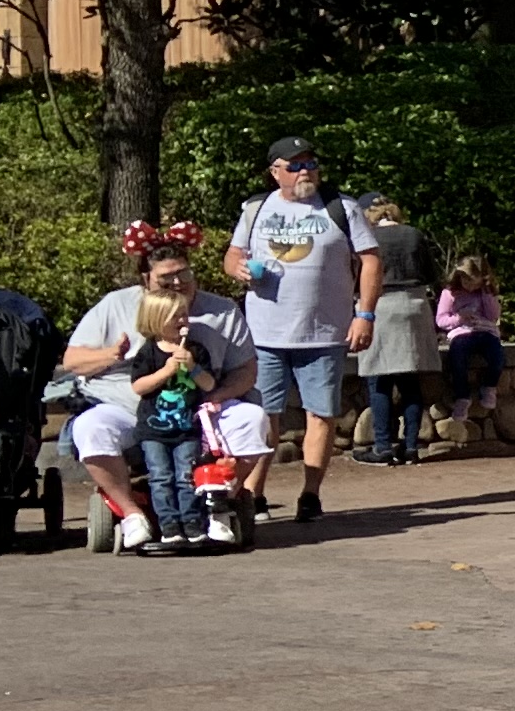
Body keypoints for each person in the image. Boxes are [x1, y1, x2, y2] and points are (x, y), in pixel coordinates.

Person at [57, 231, 264, 553]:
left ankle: (218, 505)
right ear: (146, 278)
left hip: (199, 406)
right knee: (90, 427)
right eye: (167, 277)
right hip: (127, 405)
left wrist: (216, 396)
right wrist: (111, 355)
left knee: (252, 418)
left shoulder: (220, 311)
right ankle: (132, 514)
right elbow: (72, 361)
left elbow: (246, 370)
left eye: (184, 273)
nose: (179, 282)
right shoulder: (116, 305)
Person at [222, 137, 380, 529]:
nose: (305, 170)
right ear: (275, 172)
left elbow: (371, 261)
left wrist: (365, 315)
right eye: (294, 165)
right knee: (263, 416)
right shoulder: (256, 208)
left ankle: (310, 495)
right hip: (263, 334)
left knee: (320, 415)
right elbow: (233, 254)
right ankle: (253, 495)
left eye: (310, 162)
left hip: (324, 334)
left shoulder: (341, 208)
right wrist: (237, 268)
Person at [123, 293, 213, 554]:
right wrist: (166, 371)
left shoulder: (195, 351)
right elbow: (139, 386)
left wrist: (193, 367)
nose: (182, 320)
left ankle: (192, 524)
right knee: (161, 477)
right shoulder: (148, 352)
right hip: (154, 431)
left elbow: (209, 385)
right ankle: (169, 526)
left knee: (187, 477)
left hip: (187, 430)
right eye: (175, 316)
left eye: (184, 314)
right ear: (156, 320)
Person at [356, 199, 441, 466]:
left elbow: (357, 274)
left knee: (379, 379)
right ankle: (412, 447)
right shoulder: (414, 234)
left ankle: (382, 447)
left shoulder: (367, 237)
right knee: (409, 380)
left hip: (380, 306)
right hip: (414, 305)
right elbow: (431, 273)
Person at [435, 254, 506, 435]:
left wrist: (487, 293)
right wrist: (459, 318)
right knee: (457, 358)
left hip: (485, 331)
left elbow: (492, 316)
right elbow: (441, 320)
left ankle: (489, 386)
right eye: (467, 281)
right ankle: (462, 396)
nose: (470, 286)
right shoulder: (449, 293)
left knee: (497, 355)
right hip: (461, 332)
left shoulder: (484, 292)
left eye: (475, 283)